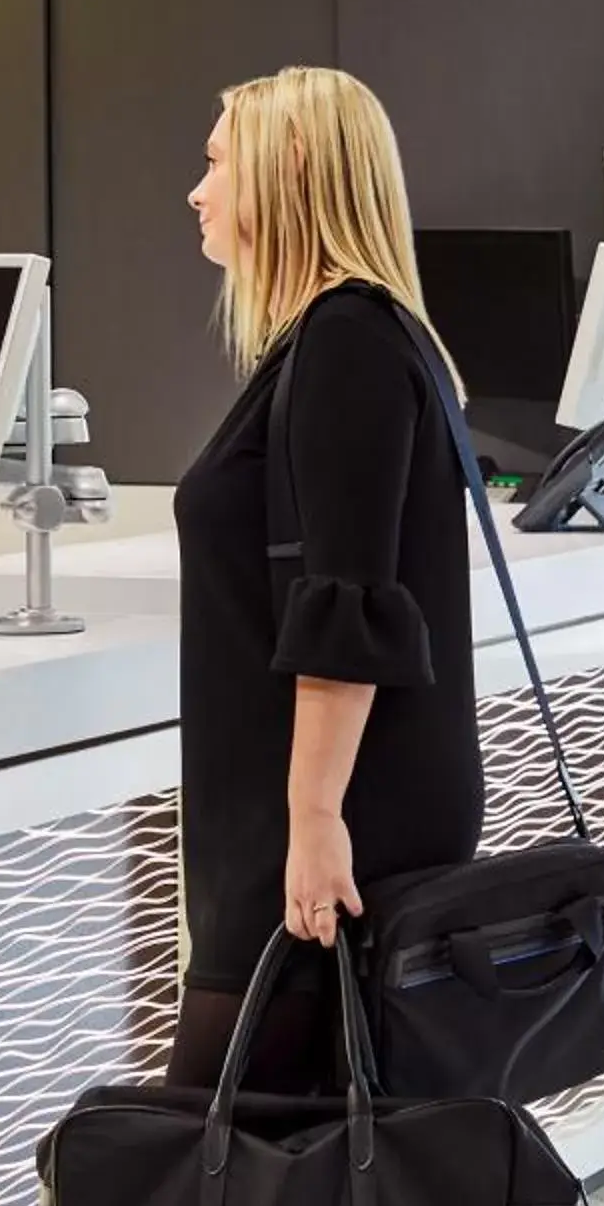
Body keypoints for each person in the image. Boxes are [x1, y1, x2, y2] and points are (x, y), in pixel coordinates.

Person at [164, 64, 484, 1091]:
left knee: (224, 1162)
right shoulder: (348, 337)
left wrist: (311, 822)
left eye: (217, 161)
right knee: (310, 1159)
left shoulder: (348, 339)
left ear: (290, 168)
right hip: (313, 810)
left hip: (323, 820)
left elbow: (347, 606)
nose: (196, 189)